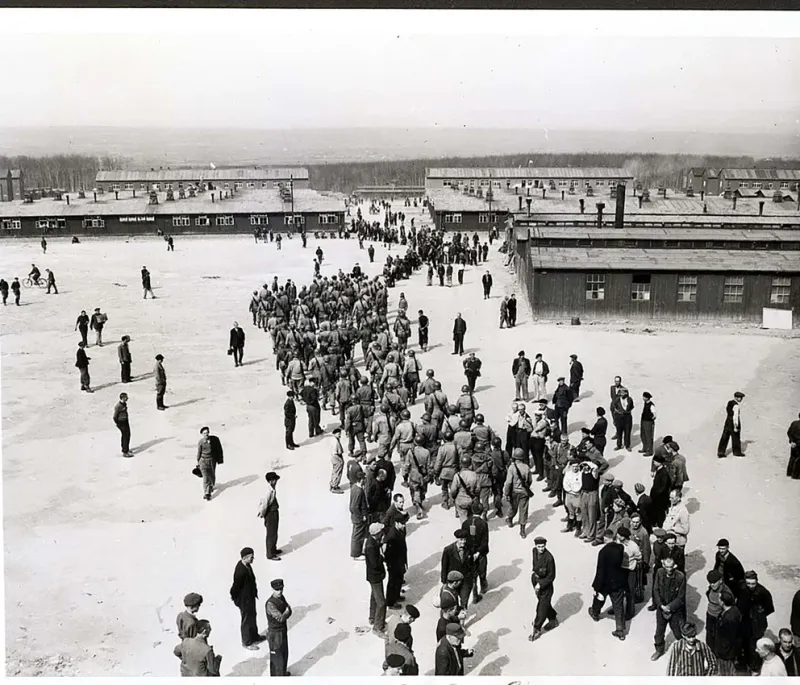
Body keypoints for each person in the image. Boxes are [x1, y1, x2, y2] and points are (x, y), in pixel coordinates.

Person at [589, 528, 628, 641]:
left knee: (599, 597)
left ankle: (595, 613)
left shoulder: (603, 552)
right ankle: (620, 630)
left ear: (605, 538)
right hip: (618, 582)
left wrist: (596, 585)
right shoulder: (620, 548)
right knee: (618, 605)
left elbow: (600, 570)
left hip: (605, 582)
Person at [737, 570, 775, 674]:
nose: (751, 586)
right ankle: (743, 663)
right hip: (745, 622)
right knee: (743, 642)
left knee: (754, 646)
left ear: (757, 581)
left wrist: (759, 614)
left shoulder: (763, 592)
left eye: (753, 583)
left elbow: (770, 608)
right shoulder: (741, 587)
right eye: (748, 583)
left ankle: (755, 667)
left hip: (757, 624)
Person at [651, 555, 687, 661]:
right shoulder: (659, 572)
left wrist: (670, 607)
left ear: (674, 566)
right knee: (659, 632)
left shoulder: (680, 577)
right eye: (667, 567)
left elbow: (681, 597)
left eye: (671, 567)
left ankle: (684, 650)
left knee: (677, 631)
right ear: (663, 565)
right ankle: (659, 650)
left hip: (675, 610)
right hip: (661, 608)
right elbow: (656, 590)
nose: (669, 569)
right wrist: (661, 605)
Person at [229, 547, 264, 650]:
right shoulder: (241, 571)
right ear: (245, 557)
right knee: (246, 620)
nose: (253, 559)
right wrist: (236, 599)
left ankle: (254, 636)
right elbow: (235, 587)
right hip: (244, 600)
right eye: (251, 557)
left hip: (250, 597)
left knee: (252, 616)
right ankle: (247, 642)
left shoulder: (247, 565)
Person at [530, 536, 558, 641]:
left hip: (545, 585)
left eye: (543, 546)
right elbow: (535, 564)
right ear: (535, 546)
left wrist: (540, 584)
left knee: (541, 607)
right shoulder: (534, 551)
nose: (541, 548)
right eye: (539, 546)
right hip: (536, 580)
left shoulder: (549, 558)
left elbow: (551, 576)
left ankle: (537, 629)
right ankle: (553, 619)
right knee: (544, 603)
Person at [504, 448, 533, 539]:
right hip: (524, 492)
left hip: (514, 492)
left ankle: (510, 519)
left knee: (513, 507)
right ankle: (522, 530)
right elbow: (529, 480)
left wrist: (506, 493)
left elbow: (508, 482)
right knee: (523, 511)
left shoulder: (511, 468)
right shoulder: (526, 467)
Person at [265, 578, 292, 676]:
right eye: (277, 590)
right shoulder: (270, 603)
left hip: (282, 631)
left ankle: (282, 673)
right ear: (272, 589)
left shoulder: (281, 598)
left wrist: (287, 612)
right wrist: (287, 612)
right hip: (275, 634)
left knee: (284, 654)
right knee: (277, 657)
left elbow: (289, 610)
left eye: (281, 589)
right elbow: (280, 618)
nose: (279, 591)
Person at [365, 522, 387, 637]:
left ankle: (372, 617)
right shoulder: (371, 546)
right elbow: (375, 564)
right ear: (377, 534)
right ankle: (378, 627)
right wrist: (382, 555)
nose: (383, 533)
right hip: (375, 577)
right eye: (381, 532)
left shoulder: (372, 542)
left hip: (373, 576)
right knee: (382, 603)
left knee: (374, 596)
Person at [713, 590, 742, 676]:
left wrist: (722, 652)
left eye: (719, 598)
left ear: (722, 602)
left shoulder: (729, 618)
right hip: (726, 650)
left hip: (725, 653)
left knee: (725, 672)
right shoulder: (733, 610)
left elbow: (729, 637)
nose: (718, 600)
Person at [258, 472, 282, 561]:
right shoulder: (267, 491)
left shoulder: (272, 489)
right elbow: (264, 504)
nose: (276, 482)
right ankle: (270, 554)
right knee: (271, 534)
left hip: (274, 512)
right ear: (271, 481)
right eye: (275, 480)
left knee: (274, 533)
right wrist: (263, 514)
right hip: (270, 514)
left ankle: (273, 549)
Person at [197, 426, 224, 501]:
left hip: (212, 460)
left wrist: (220, 459)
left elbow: (219, 449)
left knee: (211, 476)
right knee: (206, 477)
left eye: (207, 433)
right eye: (204, 433)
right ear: (202, 434)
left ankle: (211, 486)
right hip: (203, 461)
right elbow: (199, 452)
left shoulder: (214, 440)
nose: (206, 434)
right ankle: (207, 493)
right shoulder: (201, 442)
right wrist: (198, 462)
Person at [717, 391, 745, 458]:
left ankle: (721, 452)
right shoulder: (736, 406)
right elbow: (735, 416)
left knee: (725, 436)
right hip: (733, 422)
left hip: (727, 421)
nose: (741, 399)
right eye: (740, 398)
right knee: (736, 437)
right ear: (736, 397)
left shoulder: (730, 402)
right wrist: (736, 426)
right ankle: (737, 452)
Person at [113, 392, 133, 457]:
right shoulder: (118, 406)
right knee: (125, 436)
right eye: (126, 397)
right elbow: (115, 416)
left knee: (127, 435)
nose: (127, 398)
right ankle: (125, 451)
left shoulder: (124, 404)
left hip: (125, 421)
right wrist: (118, 423)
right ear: (123, 398)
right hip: (121, 422)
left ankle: (126, 448)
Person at [639, 392, 656, 456]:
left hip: (648, 422)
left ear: (647, 398)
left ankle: (650, 451)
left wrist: (650, 420)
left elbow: (654, 415)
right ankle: (645, 448)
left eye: (644, 397)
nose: (643, 398)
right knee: (643, 435)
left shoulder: (651, 405)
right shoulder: (645, 403)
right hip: (643, 421)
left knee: (648, 436)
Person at [329, 427, 344, 493]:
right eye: (338, 434)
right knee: (338, 472)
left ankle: (332, 484)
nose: (340, 435)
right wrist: (340, 458)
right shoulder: (335, 441)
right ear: (334, 434)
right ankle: (334, 487)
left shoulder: (334, 439)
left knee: (335, 471)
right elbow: (336, 451)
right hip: (336, 457)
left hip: (333, 457)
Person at [787, 412, 800, 479]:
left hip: (794, 444)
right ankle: (795, 475)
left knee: (792, 458)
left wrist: (791, 441)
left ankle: (789, 473)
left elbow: (789, 432)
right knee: (798, 460)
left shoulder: (794, 423)